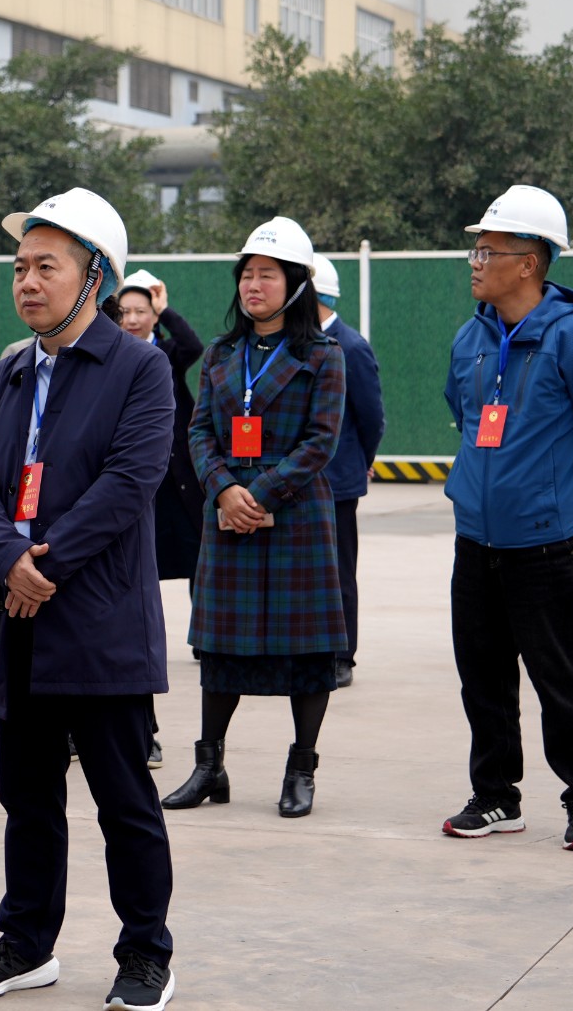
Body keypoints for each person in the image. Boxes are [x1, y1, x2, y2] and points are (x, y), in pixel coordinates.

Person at [0, 189, 176, 1011]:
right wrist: (9, 559)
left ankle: (146, 952)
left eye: (47, 266)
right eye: (20, 267)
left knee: (124, 800)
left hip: (97, 618)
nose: (27, 282)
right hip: (17, 616)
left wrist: (46, 563)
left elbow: (130, 481)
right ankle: (27, 943)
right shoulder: (8, 372)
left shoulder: (139, 367)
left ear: (96, 278)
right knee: (28, 797)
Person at [441, 184, 573, 852]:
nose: (476, 262)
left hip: (545, 547)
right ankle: (495, 797)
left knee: (561, 680)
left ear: (529, 263)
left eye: (488, 251)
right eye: (475, 251)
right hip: (475, 542)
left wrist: (556, 496)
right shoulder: (471, 338)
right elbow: (462, 411)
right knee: (482, 680)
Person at [162, 216, 346, 821]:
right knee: (220, 648)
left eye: (267, 274)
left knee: (309, 650)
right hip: (228, 511)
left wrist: (260, 494)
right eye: (246, 274)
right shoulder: (221, 353)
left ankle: (301, 769)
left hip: (294, 514)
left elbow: (321, 441)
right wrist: (223, 492)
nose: (253, 285)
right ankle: (209, 767)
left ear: (296, 284)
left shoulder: (323, 354)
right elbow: (199, 431)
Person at [118, 268, 203, 769]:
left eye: (141, 311)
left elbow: (192, 343)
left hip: (175, 484)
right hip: (124, 493)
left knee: (195, 562)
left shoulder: (167, 354)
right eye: (124, 311)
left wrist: (165, 305)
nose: (132, 319)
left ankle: (202, 636)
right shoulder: (105, 359)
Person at [311, 255, 384, 689]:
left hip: (337, 482)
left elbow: (372, 418)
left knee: (338, 573)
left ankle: (342, 656)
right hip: (298, 482)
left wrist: (360, 461)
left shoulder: (350, 346)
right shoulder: (294, 343)